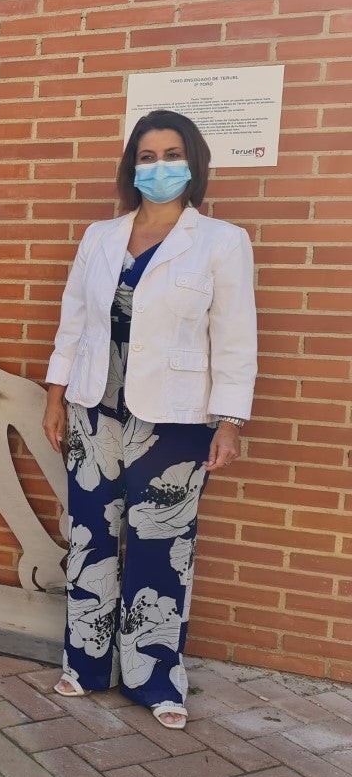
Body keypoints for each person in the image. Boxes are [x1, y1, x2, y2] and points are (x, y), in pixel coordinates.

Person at [42, 110, 257, 731]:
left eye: (171, 154)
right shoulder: (100, 236)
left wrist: (230, 420)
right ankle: (85, 665)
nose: (158, 167)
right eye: (146, 155)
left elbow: (236, 338)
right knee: (90, 540)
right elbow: (74, 321)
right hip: (93, 410)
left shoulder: (220, 241)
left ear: (193, 163)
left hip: (177, 422)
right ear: (130, 165)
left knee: (162, 551)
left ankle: (155, 680)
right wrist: (56, 396)